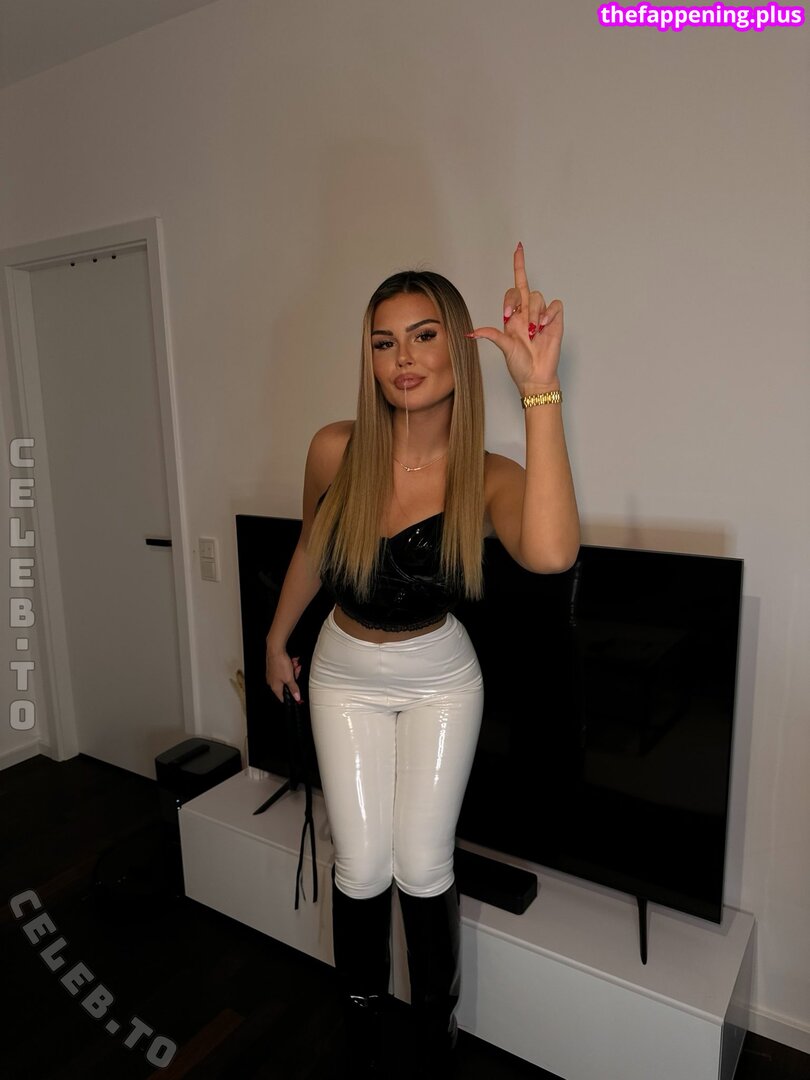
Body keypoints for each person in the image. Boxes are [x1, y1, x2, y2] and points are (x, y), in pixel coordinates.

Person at [265, 244, 579, 1077]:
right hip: (341, 673)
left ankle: (434, 1047)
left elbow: (552, 553)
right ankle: (364, 1047)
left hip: (439, 679)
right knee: (361, 866)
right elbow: (311, 546)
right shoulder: (334, 449)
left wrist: (540, 389)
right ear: (369, 358)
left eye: (424, 334)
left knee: (423, 863)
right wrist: (275, 637)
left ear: (457, 349)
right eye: (384, 341)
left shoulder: (486, 475)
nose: (403, 356)